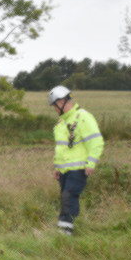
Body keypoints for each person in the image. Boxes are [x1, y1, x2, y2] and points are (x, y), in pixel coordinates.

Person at [48, 85, 104, 235]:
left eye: (54, 106)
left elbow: (96, 141)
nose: (54, 109)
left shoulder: (82, 116)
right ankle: (64, 231)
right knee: (65, 199)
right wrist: (57, 168)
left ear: (61, 102)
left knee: (69, 196)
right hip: (64, 171)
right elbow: (62, 149)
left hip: (79, 168)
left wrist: (91, 163)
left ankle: (66, 232)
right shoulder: (60, 123)